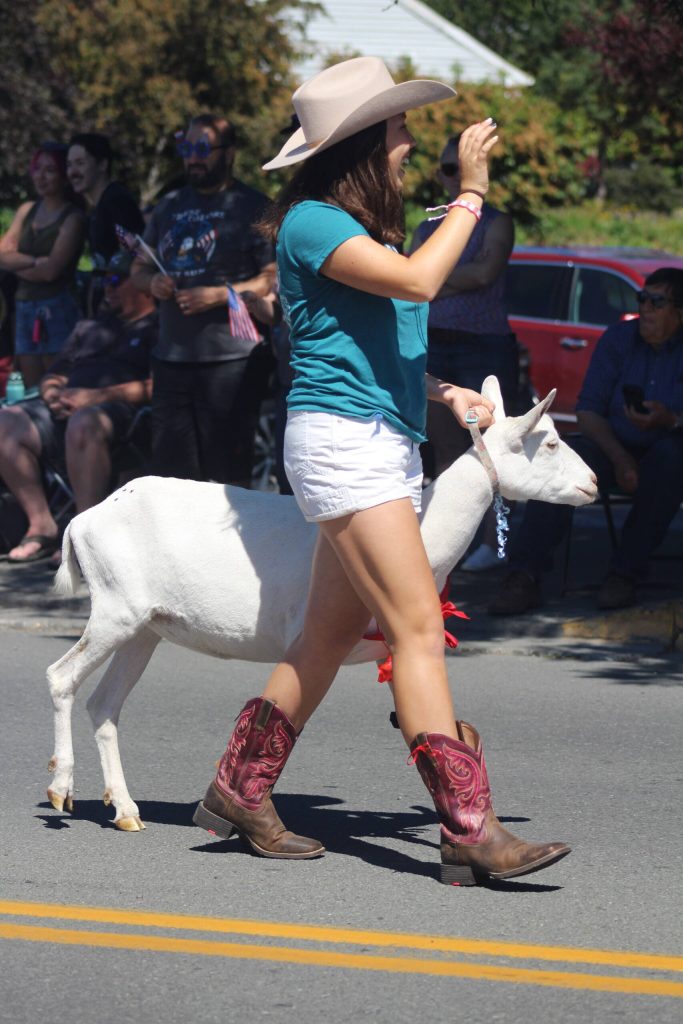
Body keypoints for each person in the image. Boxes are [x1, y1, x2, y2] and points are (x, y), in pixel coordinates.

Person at [192, 57, 570, 886]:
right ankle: (469, 829)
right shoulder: (312, 223)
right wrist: (471, 193)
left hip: (372, 441)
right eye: (397, 127)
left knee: (328, 637)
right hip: (346, 447)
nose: (407, 141)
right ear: (360, 142)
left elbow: (364, 345)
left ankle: (238, 788)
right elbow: (421, 281)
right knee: (417, 631)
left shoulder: (354, 230)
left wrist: (443, 391)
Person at [490, 267, 683, 614]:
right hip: (613, 443)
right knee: (560, 458)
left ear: (679, 313)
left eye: (657, 302)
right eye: (642, 299)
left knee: (670, 459)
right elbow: (589, 411)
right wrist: (621, 459)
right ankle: (523, 576)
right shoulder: (619, 338)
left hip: (670, 448)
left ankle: (624, 574)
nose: (645, 309)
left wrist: (670, 419)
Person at [131, 114, 276, 485]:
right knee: (172, 479)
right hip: (171, 360)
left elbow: (271, 279)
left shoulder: (254, 206)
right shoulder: (168, 205)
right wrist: (153, 282)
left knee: (229, 482)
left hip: (232, 362)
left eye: (202, 148)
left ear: (229, 153)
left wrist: (218, 296)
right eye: (186, 148)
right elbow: (138, 269)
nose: (192, 157)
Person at [0, 251, 156, 563]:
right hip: (65, 407)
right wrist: (53, 393)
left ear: (143, 285)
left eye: (115, 280)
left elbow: (155, 387)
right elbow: (55, 373)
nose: (107, 288)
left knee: (84, 423)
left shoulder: (159, 327)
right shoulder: (91, 326)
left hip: (121, 414)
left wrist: (96, 397)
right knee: (6, 421)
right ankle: (41, 524)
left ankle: (84, 536)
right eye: (104, 280)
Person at [410, 133, 517, 571]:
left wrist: (436, 277)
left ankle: (495, 543)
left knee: (492, 442)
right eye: (447, 169)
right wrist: (442, 277)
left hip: (483, 344)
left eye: (461, 168)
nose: (453, 176)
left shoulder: (497, 222)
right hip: (435, 342)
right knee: (446, 449)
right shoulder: (426, 227)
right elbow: (413, 281)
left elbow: (484, 274)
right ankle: (454, 538)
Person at [0, 142, 85, 388]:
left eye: (50, 170)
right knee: (29, 386)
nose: (41, 176)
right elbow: (2, 255)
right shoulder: (27, 210)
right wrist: (35, 261)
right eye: (37, 168)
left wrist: (16, 263)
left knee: (56, 384)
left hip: (57, 307)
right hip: (24, 306)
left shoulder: (73, 217)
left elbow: (51, 272)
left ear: (64, 176)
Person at [67, 133, 145, 312]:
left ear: (102, 164)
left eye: (80, 163)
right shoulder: (99, 207)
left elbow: (134, 254)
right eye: (69, 165)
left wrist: (114, 292)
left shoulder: (116, 200)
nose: (72, 172)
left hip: (124, 309)